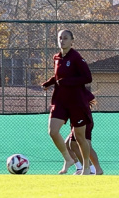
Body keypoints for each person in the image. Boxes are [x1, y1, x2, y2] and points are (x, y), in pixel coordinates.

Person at [43, 29, 101, 175]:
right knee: (53, 131)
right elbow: (58, 77)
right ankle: (68, 159)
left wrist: (68, 82)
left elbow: (87, 77)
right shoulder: (57, 57)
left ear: (71, 41)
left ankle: (87, 168)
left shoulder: (76, 57)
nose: (62, 40)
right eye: (60, 38)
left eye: (65, 38)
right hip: (60, 101)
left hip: (76, 103)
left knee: (80, 139)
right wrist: (48, 83)